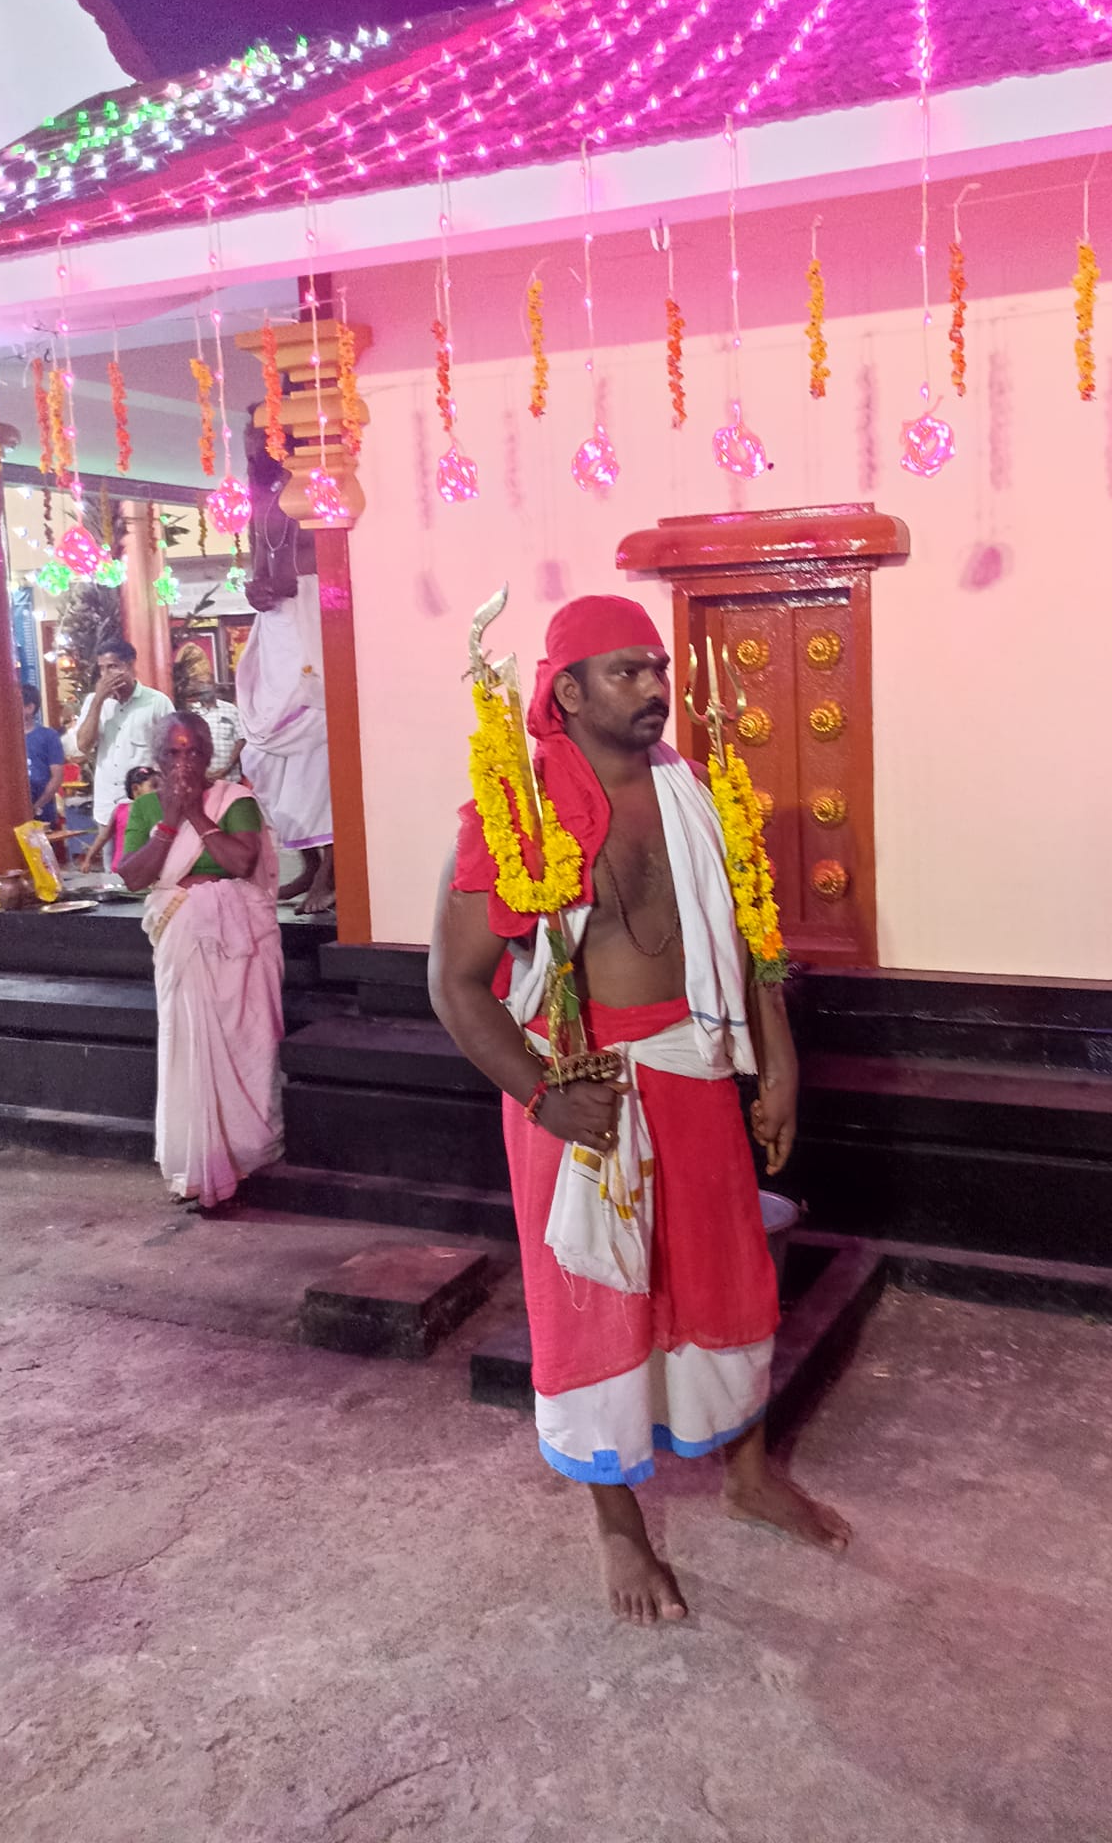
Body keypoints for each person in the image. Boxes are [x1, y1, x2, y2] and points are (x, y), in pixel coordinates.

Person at [430, 595, 848, 1626]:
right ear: (566, 690)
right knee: (594, 1298)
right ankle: (616, 1525)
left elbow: (751, 932)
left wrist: (778, 1058)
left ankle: (746, 1472)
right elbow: (453, 982)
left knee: (728, 1272)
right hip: (580, 1092)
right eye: (626, 671)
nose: (654, 688)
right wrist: (541, 1092)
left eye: (657, 667)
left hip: (697, 1067)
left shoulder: (698, 796)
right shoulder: (511, 813)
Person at [115, 713, 283, 1211]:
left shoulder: (235, 801)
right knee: (187, 1046)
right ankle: (195, 1162)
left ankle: (245, 1153)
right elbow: (132, 876)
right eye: (173, 753)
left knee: (241, 1042)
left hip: (237, 950)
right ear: (156, 758)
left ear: (209, 756)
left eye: (193, 753)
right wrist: (169, 821)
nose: (184, 762)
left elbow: (241, 863)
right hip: (181, 942)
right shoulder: (144, 808)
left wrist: (196, 814)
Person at [235, 417, 335, 914]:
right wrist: (256, 590)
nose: (253, 452)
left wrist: (296, 585)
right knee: (264, 750)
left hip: (310, 614)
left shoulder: (313, 488)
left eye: (261, 442)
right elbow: (259, 562)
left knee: (314, 730)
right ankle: (310, 864)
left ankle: (334, 870)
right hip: (275, 621)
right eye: (248, 444)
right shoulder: (260, 501)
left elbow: (328, 553)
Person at [68, 639, 174, 851]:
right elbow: (83, 745)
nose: (106, 675)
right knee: (112, 874)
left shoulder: (157, 702)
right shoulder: (94, 702)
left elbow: (172, 753)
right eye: (102, 669)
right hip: (108, 807)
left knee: (147, 869)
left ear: (131, 665)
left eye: (113, 667)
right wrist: (98, 701)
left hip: (145, 804)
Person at [79, 764, 161, 876]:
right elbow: (104, 836)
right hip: (120, 870)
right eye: (154, 786)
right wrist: (89, 858)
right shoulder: (120, 811)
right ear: (136, 789)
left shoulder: (158, 813)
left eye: (161, 787)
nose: (159, 791)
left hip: (146, 872)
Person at [21, 684, 65, 828]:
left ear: (29, 708)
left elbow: (57, 776)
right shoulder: (5, 738)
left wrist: (37, 805)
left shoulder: (48, 736)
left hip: (43, 813)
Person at [189, 679, 245, 782]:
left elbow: (241, 740)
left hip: (229, 778)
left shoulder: (231, 710)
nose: (204, 688)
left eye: (207, 683)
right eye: (200, 684)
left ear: (214, 686)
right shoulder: (191, 712)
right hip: (201, 779)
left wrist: (226, 768)